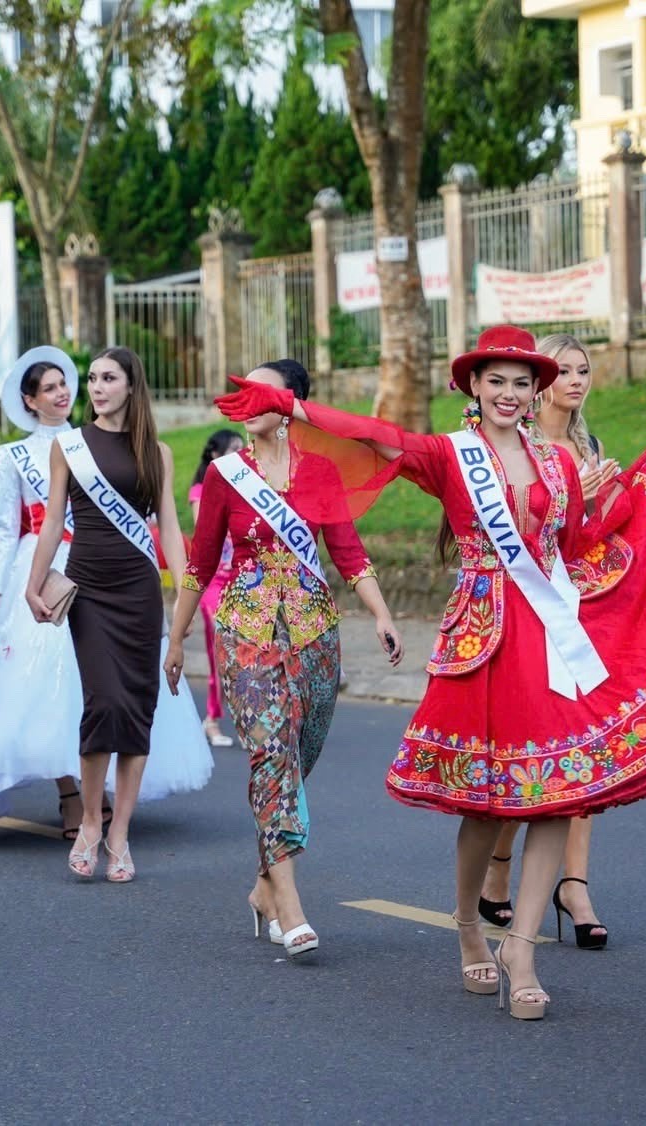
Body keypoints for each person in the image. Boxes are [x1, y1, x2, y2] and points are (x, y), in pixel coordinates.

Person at [216, 324, 646, 1018]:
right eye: (496, 381)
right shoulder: (448, 455)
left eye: (522, 383)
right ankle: (469, 924)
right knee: (483, 806)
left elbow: (573, 545)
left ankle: (520, 947)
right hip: (484, 639)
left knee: (558, 790)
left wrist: (619, 505)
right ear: (473, 385)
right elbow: (377, 436)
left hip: (550, 640)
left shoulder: (557, 463)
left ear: (535, 393)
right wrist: (292, 407)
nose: (509, 393)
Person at [166, 360, 403, 958]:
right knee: (271, 752)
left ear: (292, 404)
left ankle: (264, 885)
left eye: (262, 393)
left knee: (298, 757)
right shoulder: (224, 475)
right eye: (242, 392)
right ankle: (290, 906)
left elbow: (348, 553)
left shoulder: (320, 472)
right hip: (246, 630)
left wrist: (381, 613)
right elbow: (199, 562)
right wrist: (176, 637)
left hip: (314, 631)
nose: (247, 403)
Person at [0, 348, 211, 836]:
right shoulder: (14, 455)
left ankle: (103, 794)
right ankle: (70, 794)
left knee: (108, 684)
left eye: (65, 384)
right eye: (49, 388)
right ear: (30, 400)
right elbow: (4, 529)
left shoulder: (103, 442)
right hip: (47, 569)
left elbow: (156, 518)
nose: (63, 393)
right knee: (47, 688)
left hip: (110, 564)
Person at [26, 346, 190, 883]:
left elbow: (169, 527)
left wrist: (185, 598)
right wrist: (33, 584)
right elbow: (53, 521)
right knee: (104, 703)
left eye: (108, 378)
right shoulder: (68, 446)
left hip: (139, 590)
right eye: (92, 378)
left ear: (130, 385)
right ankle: (91, 822)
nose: (96, 387)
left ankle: (120, 830)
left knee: (138, 708)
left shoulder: (157, 453)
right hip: (90, 590)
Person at [479, 333, 622, 948]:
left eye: (583, 370)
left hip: (584, 608)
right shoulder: (519, 443)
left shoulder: (591, 446)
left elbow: (597, 533)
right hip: (531, 610)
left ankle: (575, 885)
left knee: (583, 749)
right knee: (532, 753)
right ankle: (497, 869)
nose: (576, 380)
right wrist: (576, 498)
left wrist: (605, 500)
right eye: (563, 370)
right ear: (541, 381)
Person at [188, 428, 245, 747]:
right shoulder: (201, 489)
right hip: (214, 583)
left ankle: (250, 718)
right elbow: (206, 530)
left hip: (242, 580)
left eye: (242, 448)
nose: (240, 454)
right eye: (233, 449)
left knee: (246, 653)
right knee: (219, 651)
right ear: (215, 455)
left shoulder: (249, 487)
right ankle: (211, 719)